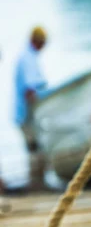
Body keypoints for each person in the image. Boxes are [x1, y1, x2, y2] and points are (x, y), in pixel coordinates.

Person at [14, 27, 48, 190]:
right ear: (38, 41)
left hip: (25, 114)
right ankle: (36, 184)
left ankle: (37, 180)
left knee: (33, 146)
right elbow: (29, 90)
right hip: (26, 114)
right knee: (33, 145)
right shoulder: (27, 58)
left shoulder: (29, 56)